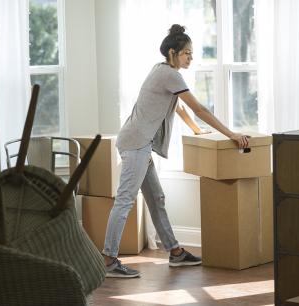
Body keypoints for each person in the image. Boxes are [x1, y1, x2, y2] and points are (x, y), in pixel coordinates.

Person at [102, 24, 250, 278]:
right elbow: (199, 108)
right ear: (173, 53)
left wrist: (196, 129)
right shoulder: (170, 74)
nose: (191, 57)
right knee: (125, 200)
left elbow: (178, 108)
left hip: (139, 142)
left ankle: (176, 252)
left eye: (191, 53)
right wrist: (232, 135)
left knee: (156, 199)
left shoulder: (162, 70)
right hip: (136, 143)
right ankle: (108, 260)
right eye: (187, 53)